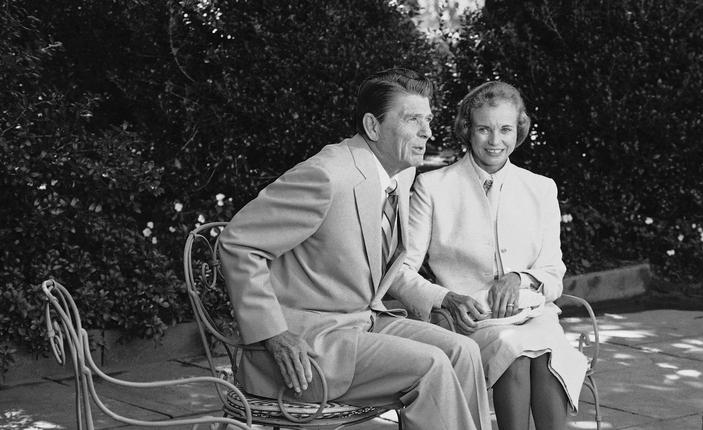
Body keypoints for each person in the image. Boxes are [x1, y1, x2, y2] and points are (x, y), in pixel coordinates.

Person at [218, 68, 491, 430]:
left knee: (464, 351)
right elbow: (238, 243)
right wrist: (274, 333)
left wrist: (440, 298)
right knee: (431, 366)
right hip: (308, 345)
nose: (427, 131)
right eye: (413, 120)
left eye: (427, 119)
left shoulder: (400, 172)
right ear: (373, 127)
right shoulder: (326, 175)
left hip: (363, 322)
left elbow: (378, 265)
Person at [389, 81, 587, 430]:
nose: (496, 140)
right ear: (468, 130)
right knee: (517, 354)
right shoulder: (432, 187)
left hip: (532, 315)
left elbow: (553, 272)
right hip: (467, 322)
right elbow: (401, 270)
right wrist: (446, 298)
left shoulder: (541, 188)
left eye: (506, 129)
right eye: (484, 129)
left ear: (519, 130)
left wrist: (520, 278)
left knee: (544, 352)